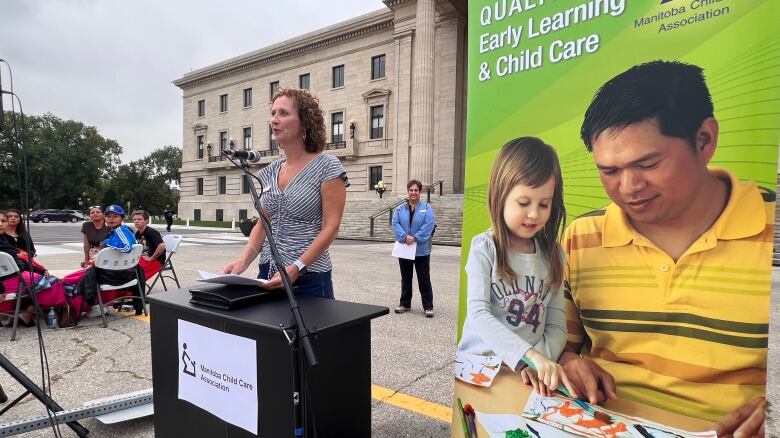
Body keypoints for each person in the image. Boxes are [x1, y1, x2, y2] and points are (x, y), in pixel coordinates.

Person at [560, 60, 771, 435]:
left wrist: (770, 415)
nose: (628, 187)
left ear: (704, 140)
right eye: (609, 171)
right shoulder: (582, 236)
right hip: (603, 423)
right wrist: (566, 360)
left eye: (648, 163)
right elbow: (559, 342)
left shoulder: (769, 228)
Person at [456, 138, 576, 397]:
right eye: (524, 203)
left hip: (529, 375)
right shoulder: (485, 248)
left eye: (544, 204)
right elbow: (478, 315)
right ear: (501, 196)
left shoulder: (554, 255)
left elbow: (557, 325)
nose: (534, 214)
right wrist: (526, 356)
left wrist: (539, 362)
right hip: (481, 372)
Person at [221, 87, 348, 298]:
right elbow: (263, 224)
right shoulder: (268, 172)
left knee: (311, 331)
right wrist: (242, 261)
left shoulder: (327, 166)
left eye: (284, 113)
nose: (275, 120)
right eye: (273, 113)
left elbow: (331, 227)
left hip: (309, 277)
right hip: (268, 275)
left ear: (305, 122)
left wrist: (298, 267)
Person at [76, 204, 145, 316]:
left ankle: (93, 305)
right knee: (91, 271)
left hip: (116, 276)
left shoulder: (120, 230)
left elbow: (126, 247)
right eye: (108, 216)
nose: (111, 219)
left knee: (87, 275)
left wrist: (108, 242)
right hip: (130, 274)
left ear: (122, 218)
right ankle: (101, 305)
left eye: (115, 216)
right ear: (105, 218)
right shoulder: (121, 231)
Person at [392, 180, 437, 317]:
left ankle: (428, 306)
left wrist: (415, 237)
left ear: (420, 192)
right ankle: (405, 304)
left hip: (421, 249)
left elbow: (429, 224)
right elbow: (395, 223)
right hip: (405, 248)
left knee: (424, 278)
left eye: (416, 190)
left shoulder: (427, 208)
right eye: (411, 190)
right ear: (408, 192)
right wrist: (405, 237)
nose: (413, 193)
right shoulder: (400, 209)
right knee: (406, 277)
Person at [131, 210, 166, 280]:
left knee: (133, 272)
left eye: (139, 219)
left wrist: (151, 258)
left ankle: (136, 288)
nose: (136, 221)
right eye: (134, 219)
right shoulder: (138, 233)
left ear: (146, 221)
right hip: (143, 258)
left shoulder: (151, 232)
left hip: (156, 260)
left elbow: (162, 246)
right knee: (125, 268)